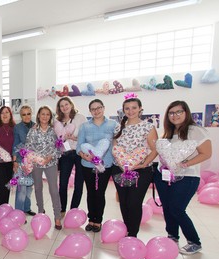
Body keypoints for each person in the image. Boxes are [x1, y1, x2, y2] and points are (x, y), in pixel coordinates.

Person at [155, 101, 211, 254]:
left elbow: (206, 153)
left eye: (179, 111)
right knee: (167, 208)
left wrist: (184, 163)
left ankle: (194, 241)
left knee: (177, 208)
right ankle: (172, 236)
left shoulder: (195, 130)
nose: (175, 115)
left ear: (186, 112)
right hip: (165, 176)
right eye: (171, 113)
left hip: (187, 177)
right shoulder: (168, 132)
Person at [112, 96, 158, 237]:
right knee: (124, 201)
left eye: (134, 108)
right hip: (120, 169)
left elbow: (155, 149)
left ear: (140, 109)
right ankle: (127, 228)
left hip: (141, 171)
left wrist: (144, 163)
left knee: (134, 202)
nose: (130, 111)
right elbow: (115, 146)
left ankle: (133, 233)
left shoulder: (148, 127)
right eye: (127, 108)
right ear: (123, 110)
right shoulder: (119, 127)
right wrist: (120, 163)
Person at [76, 100, 117, 232]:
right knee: (91, 193)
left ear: (103, 108)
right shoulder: (84, 126)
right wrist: (84, 155)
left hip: (106, 165)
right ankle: (91, 219)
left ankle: (98, 220)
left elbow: (116, 144)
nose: (96, 111)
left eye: (99, 108)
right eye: (93, 109)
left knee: (100, 193)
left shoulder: (113, 124)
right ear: (90, 111)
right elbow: (79, 146)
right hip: (87, 165)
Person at [26, 106, 63, 229]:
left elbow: (58, 148)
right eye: (43, 114)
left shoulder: (53, 131)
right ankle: (41, 211)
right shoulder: (33, 130)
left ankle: (57, 216)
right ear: (38, 116)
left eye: (48, 114)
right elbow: (28, 147)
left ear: (50, 117)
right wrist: (37, 158)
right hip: (37, 164)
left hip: (51, 164)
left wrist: (50, 157)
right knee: (38, 188)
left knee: (53, 190)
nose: (45, 116)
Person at [55, 96, 87, 217]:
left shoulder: (80, 118)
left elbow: (86, 135)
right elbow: (55, 138)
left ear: (71, 104)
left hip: (79, 152)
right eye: (61, 106)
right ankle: (62, 208)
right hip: (65, 154)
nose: (64, 107)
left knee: (79, 183)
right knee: (63, 183)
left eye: (66, 104)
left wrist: (75, 138)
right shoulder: (57, 121)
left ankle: (74, 209)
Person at [12, 105, 35, 216]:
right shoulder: (17, 127)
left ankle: (27, 208)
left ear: (31, 113)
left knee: (29, 187)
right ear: (21, 116)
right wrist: (15, 161)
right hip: (21, 161)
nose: (26, 116)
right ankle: (19, 213)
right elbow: (15, 144)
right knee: (21, 188)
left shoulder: (36, 126)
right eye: (24, 114)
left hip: (34, 162)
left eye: (28, 114)